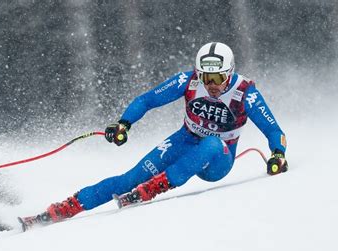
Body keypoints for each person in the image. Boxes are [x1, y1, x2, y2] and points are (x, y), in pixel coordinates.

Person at [19, 42, 288, 230]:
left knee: (212, 142)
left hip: (218, 159)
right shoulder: (189, 80)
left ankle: (154, 188)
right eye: (206, 77)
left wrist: (278, 153)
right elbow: (147, 100)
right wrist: (124, 123)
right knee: (128, 178)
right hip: (184, 140)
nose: (211, 85)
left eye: (218, 78)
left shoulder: (245, 91)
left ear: (229, 73)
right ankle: (63, 208)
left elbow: (273, 129)